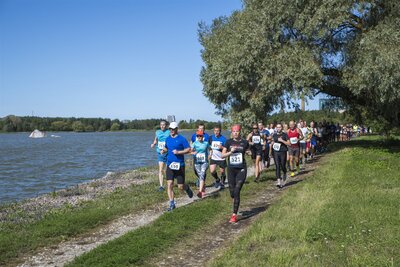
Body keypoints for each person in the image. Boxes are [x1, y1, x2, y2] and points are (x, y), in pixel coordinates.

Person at [160, 122, 193, 211]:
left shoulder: (182, 139)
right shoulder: (167, 139)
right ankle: (171, 203)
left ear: (177, 129)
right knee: (169, 184)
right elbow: (167, 147)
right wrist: (163, 150)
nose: (171, 130)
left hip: (180, 165)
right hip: (170, 164)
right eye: (170, 129)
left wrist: (179, 152)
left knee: (180, 187)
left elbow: (188, 149)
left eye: (173, 129)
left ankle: (187, 188)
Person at [222, 124, 249, 223]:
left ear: (239, 132)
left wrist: (249, 152)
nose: (235, 133)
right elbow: (222, 155)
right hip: (231, 169)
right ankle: (235, 202)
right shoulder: (228, 142)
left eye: (237, 131)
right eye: (233, 131)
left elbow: (248, 151)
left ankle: (234, 215)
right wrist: (230, 152)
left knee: (237, 190)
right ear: (231, 132)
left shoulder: (244, 142)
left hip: (241, 168)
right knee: (232, 192)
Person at [150, 120, 170, 191]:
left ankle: (169, 184)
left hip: (168, 153)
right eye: (161, 125)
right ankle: (161, 186)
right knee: (161, 170)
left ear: (166, 125)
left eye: (164, 125)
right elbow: (156, 140)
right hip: (160, 153)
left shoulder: (169, 132)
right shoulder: (157, 132)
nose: (162, 126)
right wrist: (153, 144)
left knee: (168, 170)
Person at [191, 130, 210, 198]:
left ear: (203, 136)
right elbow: (190, 150)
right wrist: (193, 153)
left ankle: (200, 191)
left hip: (205, 162)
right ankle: (203, 187)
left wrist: (210, 155)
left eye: (200, 136)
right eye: (198, 136)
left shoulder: (206, 143)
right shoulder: (194, 143)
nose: (199, 137)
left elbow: (210, 149)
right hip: (197, 162)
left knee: (202, 173)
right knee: (200, 175)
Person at [271, 123, 291, 188]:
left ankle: (284, 173)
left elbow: (289, 144)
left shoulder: (285, 135)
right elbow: (272, 142)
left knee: (282, 165)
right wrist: (272, 143)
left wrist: (282, 140)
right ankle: (279, 181)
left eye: (279, 127)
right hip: (276, 152)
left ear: (282, 128)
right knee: (277, 166)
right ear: (276, 128)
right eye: (277, 127)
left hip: (283, 152)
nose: (278, 128)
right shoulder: (274, 135)